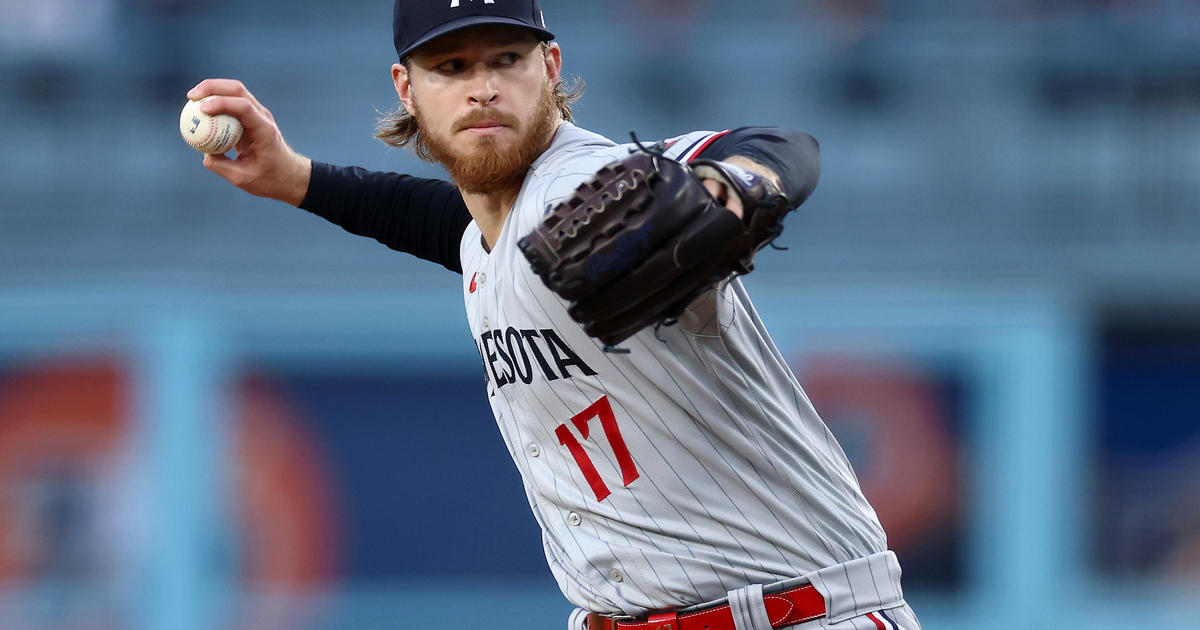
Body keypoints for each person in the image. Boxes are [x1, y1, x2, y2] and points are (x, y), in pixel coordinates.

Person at [187, 1, 920, 629]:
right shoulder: (494, 232)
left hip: (797, 613)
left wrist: (739, 183)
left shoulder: (591, 182)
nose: (482, 89)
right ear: (407, 89)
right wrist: (296, 178)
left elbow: (781, 146)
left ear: (552, 65)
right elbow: (449, 227)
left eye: (505, 59)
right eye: (452, 68)